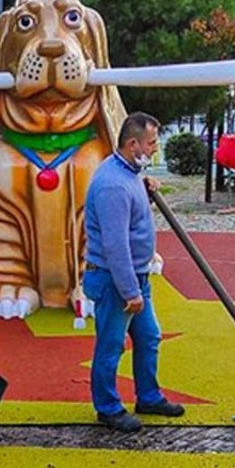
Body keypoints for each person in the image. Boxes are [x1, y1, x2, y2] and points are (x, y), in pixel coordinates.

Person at [82, 112, 185, 433]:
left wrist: (143, 183)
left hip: (134, 276)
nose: (155, 149)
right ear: (132, 144)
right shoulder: (113, 184)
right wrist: (130, 291)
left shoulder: (126, 173)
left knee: (149, 336)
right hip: (117, 280)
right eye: (151, 143)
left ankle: (149, 396)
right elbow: (115, 245)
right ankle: (108, 407)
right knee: (111, 345)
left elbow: (130, 212)